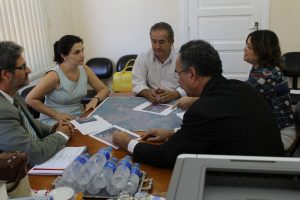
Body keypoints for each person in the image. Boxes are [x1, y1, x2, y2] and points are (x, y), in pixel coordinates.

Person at [112, 40, 284, 168]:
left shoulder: (201, 110)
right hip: (278, 173)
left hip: (246, 183)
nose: (178, 79)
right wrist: (172, 133)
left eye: (178, 74)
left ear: (192, 74)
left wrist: (127, 143)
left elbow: (165, 157)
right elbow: (220, 127)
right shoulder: (241, 88)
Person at [0, 41, 73, 165]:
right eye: (23, 67)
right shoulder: (2, 111)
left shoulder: (12, 92)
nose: (29, 70)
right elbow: (33, 155)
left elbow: (30, 124)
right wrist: (61, 134)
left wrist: (53, 129)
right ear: (6, 74)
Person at [26, 35, 109, 125]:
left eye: (82, 50)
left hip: (77, 118)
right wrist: (57, 115)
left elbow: (104, 89)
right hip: (55, 121)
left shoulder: (84, 69)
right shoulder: (54, 76)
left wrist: (95, 99)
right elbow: (30, 99)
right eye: (76, 52)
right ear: (64, 55)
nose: (82, 55)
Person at [244, 30, 295, 150]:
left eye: (249, 47)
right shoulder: (260, 69)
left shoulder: (265, 75)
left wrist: (194, 101)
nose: (244, 49)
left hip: (281, 134)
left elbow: (235, 96)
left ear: (262, 51)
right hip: (273, 128)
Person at [132, 22, 185, 104]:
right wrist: (148, 93)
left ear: (172, 41)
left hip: (178, 100)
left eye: (161, 42)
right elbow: (137, 83)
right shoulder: (143, 56)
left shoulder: (183, 57)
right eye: (154, 41)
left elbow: (192, 84)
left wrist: (176, 93)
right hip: (150, 101)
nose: (157, 47)